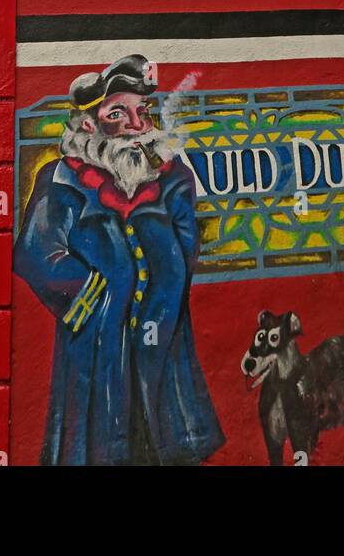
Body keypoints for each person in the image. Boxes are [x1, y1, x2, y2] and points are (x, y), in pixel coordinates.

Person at [15, 53, 224, 467]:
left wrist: (163, 285)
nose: (135, 123)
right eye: (118, 112)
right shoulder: (60, 179)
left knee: (165, 438)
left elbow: (188, 241)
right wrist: (97, 295)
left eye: (141, 111)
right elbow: (36, 253)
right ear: (89, 125)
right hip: (96, 344)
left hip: (160, 334)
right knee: (103, 442)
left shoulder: (172, 175)